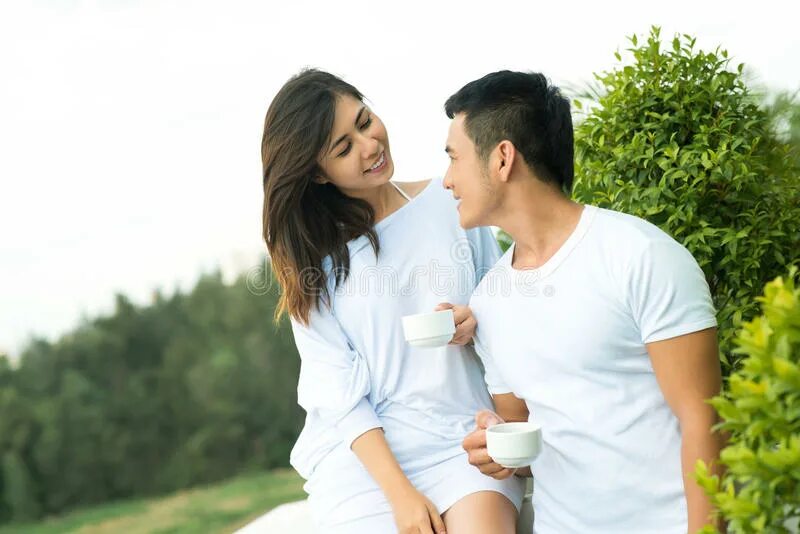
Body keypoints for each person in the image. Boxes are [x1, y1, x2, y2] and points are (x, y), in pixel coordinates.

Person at [442, 70, 724, 533]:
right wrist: (500, 453)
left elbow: (705, 419)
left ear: (503, 158)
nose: (447, 180)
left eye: (454, 158)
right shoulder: (488, 300)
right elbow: (530, 446)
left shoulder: (640, 255)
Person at [260, 69, 524, 534]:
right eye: (343, 148)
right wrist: (400, 495)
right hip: (365, 465)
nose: (369, 145)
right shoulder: (314, 266)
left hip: (462, 439)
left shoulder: (452, 202)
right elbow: (338, 397)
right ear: (317, 174)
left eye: (364, 121)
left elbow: (505, 302)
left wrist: (473, 321)